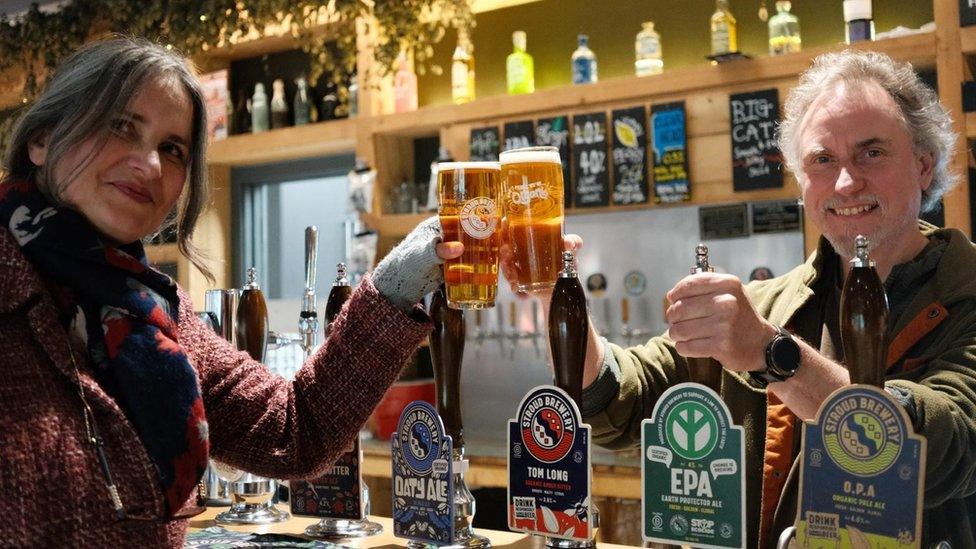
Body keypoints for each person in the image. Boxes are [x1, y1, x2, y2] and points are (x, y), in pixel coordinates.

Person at [500, 49, 975, 547]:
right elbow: (619, 403)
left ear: (924, 165)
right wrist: (557, 298)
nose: (845, 181)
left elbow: (948, 449)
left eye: (871, 152)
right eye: (822, 159)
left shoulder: (965, 293)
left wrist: (774, 357)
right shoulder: (769, 304)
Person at [0, 37, 460, 546]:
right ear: (41, 140)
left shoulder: (155, 314)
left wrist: (400, 281)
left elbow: (295, 429)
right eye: (120, 126)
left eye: (172, 149)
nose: (149, 164)